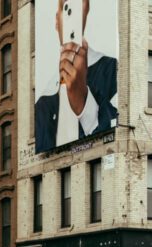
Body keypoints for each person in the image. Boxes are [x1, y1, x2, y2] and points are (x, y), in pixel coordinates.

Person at [35, 0, 118, 153]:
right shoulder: (42, 104)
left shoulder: (113, 70)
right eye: (66, 6)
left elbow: (121, 131)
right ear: (56, 21)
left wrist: (83, 103)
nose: (72, 15)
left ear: (86, 12)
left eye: (78, 4)